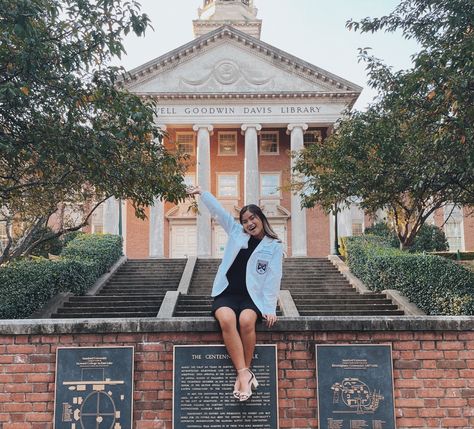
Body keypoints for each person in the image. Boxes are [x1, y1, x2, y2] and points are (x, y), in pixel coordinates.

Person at [186, 185, 283, 402]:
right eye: (245, 220)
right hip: (227, 292)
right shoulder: (236, 232)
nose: (249, 223)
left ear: (260, 218)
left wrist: (269, 307)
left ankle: (243, 374)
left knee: (247, 321)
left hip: (252, 296)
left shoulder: (274, 245)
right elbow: (219, 212)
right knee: (227, 319)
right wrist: (203, 193)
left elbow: (273, 278)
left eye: (252, 218)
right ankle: (244, 373)